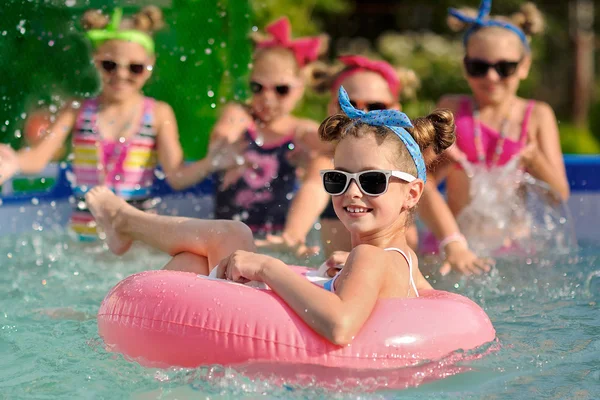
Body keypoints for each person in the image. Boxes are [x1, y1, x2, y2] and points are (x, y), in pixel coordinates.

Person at [84, 86, 446, 345]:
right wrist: (351, 272)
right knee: (193, 262)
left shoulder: (369, 256)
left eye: (371, 181)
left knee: (231, 236)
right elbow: (427, 300)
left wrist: (266, 268)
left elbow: (340, 326)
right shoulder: (400, 260)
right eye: (338, 179)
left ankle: (125, 222)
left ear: (412, 193)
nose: (352, 192)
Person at [0, 7, 236, 240]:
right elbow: (38, 157)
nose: (121, 75)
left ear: (150, 65)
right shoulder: (77, 110)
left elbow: (176, 175)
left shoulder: (157, 114)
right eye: (110, 65)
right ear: (95, 60)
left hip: (139, 238)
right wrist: (13, 161)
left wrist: (212, 162)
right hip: (86, 238)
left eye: (135, 68)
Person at [257, 55, 490, 276]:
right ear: (332, 109)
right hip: (345, 269)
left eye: (375, 105)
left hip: (391, 269)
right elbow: (312, 190)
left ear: (395, 109)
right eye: (349, 105)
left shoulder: (399, 160)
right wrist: (294, 234)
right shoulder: (328, 160)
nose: (363, 114)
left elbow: (426, 196)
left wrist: (453, 244)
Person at [430, 0, 570, 256]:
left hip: (514, 247)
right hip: (455, 243)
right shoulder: (450, 109)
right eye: (478, 67)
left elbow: (559, 195)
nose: (491, 77)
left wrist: (535, 160)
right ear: (465, 66)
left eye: (505, 68)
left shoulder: (537, 116)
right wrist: (444, 161)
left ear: (524, 66)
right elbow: (420, 183)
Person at [209, 17, 330, 237]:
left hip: (274, 238)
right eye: (258, 87)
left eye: (281, 89)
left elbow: (325, 143)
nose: (267, 98)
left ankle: (293, 237)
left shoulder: (299, 130)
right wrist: (227, 145)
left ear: (300, 88)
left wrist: (316, 152)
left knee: (324, 163)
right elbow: (224, 132)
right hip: (226, 235)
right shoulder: (241, 116)